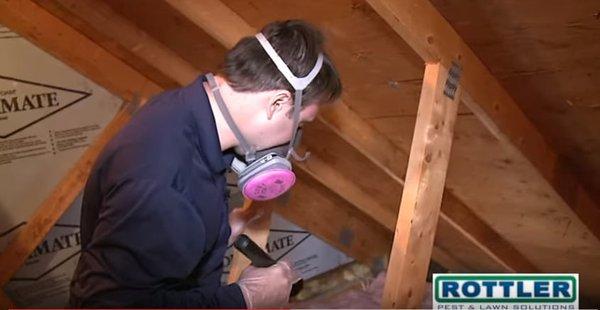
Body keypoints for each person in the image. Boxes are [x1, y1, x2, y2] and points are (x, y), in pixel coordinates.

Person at [69, 19, 342, 308]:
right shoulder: (163, 181)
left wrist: (216, 232)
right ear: (277, 103)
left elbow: (163, 235)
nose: (294, 139)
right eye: (300, 124)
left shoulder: (183, 110)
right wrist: (245, 299)